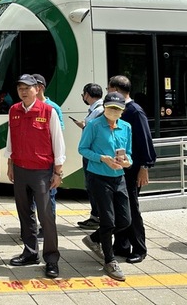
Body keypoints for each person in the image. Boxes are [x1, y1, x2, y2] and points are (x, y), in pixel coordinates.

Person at [6, 74, 65, 279]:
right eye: (20, 87)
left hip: (42, 172)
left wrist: (58, 171)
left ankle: (51, 259)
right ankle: (30, 253)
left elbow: (58, 143)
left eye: (27, 87)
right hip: (20, 169)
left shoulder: (49, 111)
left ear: (37, 89)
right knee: (25, 214)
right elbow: (11, 141)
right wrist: (10, 164)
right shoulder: (14, 110)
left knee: (46, 217)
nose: (23, 91)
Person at [78, 92, 133, 281]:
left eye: (117, 109)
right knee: (108, 221)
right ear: (104, 108)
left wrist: (127, 162)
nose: (113, 112)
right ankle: (110, 260)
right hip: (99, 177)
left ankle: (94, 238)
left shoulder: (126, 127)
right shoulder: (93, 125)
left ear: (122, 111)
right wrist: (102, 158)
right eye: (110, 108)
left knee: (125, 220)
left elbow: (129, 153)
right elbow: (83, 149)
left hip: (119, 178)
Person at [107, 75, 157, 263]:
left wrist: (144, 166)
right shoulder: (116, 110)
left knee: (131, 209)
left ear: (116, 90)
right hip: (117, 168)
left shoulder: (135, 111)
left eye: (109, 89)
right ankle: (121, 244)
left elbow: (145, 141)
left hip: (132, 169)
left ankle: (139, 248)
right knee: (120, 208)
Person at [33, 74, 63, 239]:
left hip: (47, 161)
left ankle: (47, 228)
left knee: (48, 196)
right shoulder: (23, 107)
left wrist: (58, 167)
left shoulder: (53, 108)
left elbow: (58, 135)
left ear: (40, 88)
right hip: (31, 162)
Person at [76, 83, 105, 230]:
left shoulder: (99, 110)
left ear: (88, 94)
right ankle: (96, 215)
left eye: (83, 93)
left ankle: (97, 217)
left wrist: (85, 126)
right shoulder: (95, 109)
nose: (83, 96)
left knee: (93, 185)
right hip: (92, 153)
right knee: (91, 185)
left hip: (93, 154)